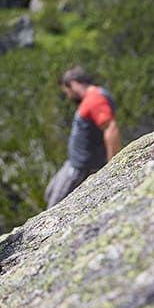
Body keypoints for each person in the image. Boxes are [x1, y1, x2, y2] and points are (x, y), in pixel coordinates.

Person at [45, 66, 122, 208]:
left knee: (55, 206)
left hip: (81, 169)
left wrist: (114, 165)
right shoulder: (93, 96)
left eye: (67, 91)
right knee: (50, 192)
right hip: (73, 163)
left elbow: (110, 129)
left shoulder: (95, 99)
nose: (68, 96)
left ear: (73, 84)